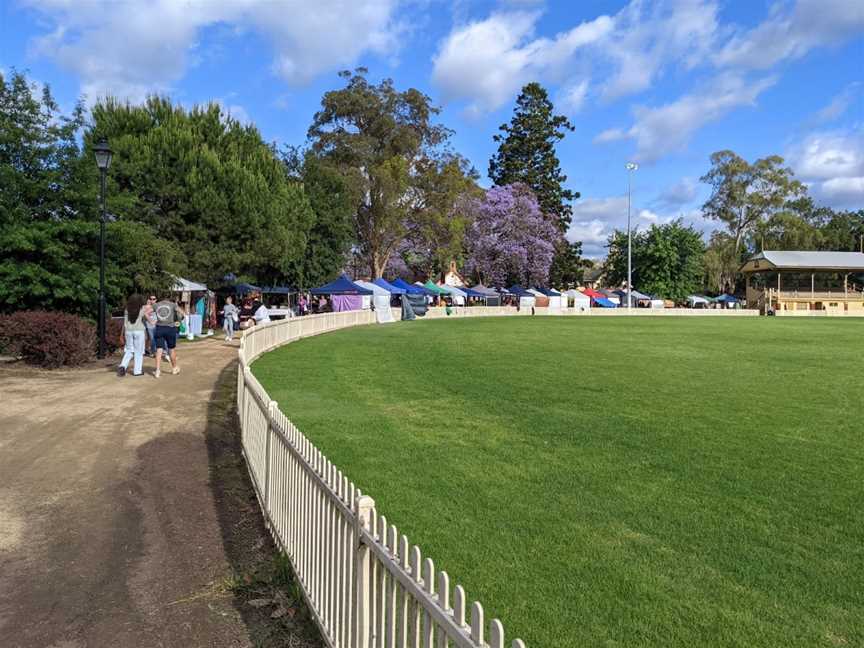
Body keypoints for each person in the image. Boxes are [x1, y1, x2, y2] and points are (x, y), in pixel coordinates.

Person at [153, 296, 184, 378]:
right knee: (171, 349)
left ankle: (157, 370)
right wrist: (178, 320)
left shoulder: (156, 305)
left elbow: (146, 312)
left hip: (159, 328)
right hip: (170, 328)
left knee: (159, 350)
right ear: (169, 298)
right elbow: (182, 312)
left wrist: (150, 320)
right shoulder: (173, 304)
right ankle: (174, 368)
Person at [117, 294, 147, 377]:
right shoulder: (142, 309)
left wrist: (121, 334)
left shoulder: (127, 310)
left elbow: (124, 323)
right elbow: (146, 318)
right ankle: (137, 371)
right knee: (138, 351)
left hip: (128, 331)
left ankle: (122, 366)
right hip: (139, 331)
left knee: (129, 350)